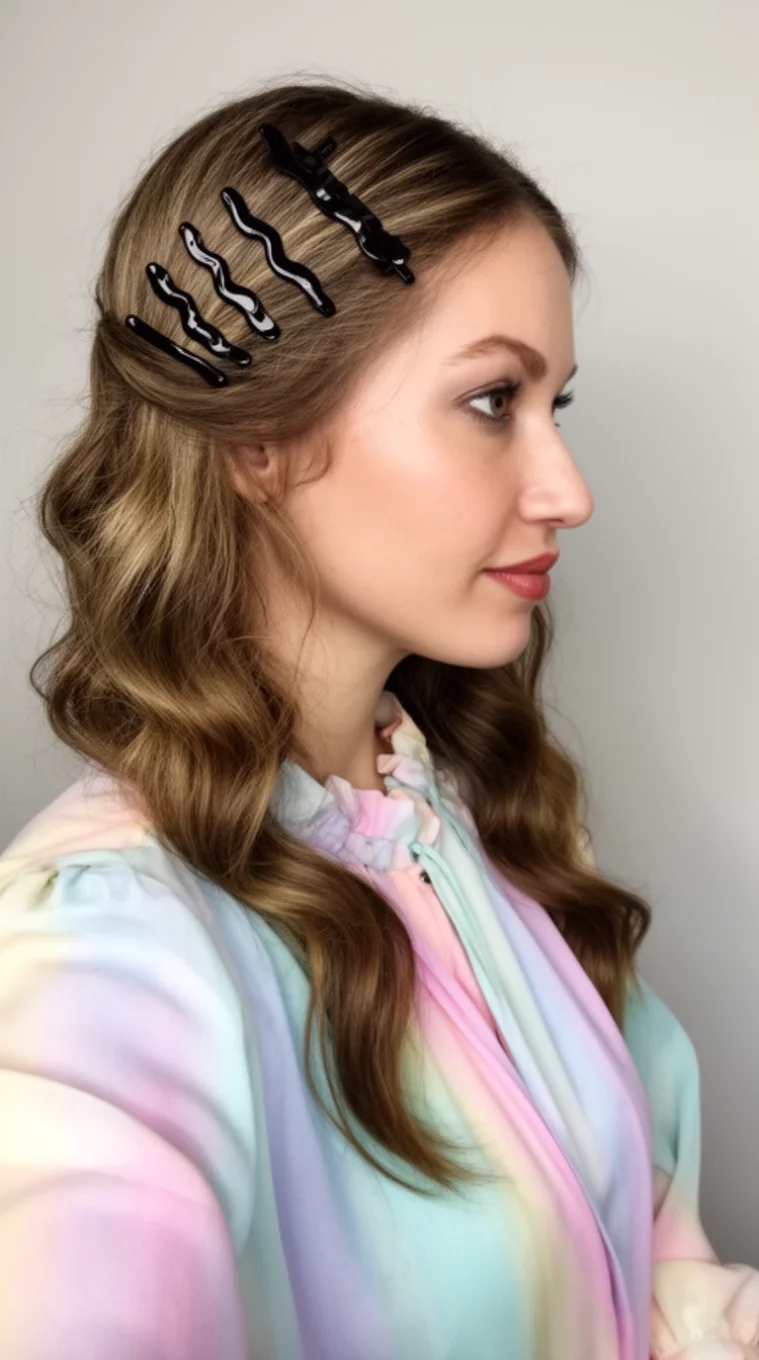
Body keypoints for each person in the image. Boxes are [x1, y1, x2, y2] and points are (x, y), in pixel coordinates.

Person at [0, 75, 756, 1360]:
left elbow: (653, 1277)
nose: (567, 487)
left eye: (553, 405)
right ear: (261, 441)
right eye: (490, 401)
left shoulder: (469, 834)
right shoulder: (108, 956)